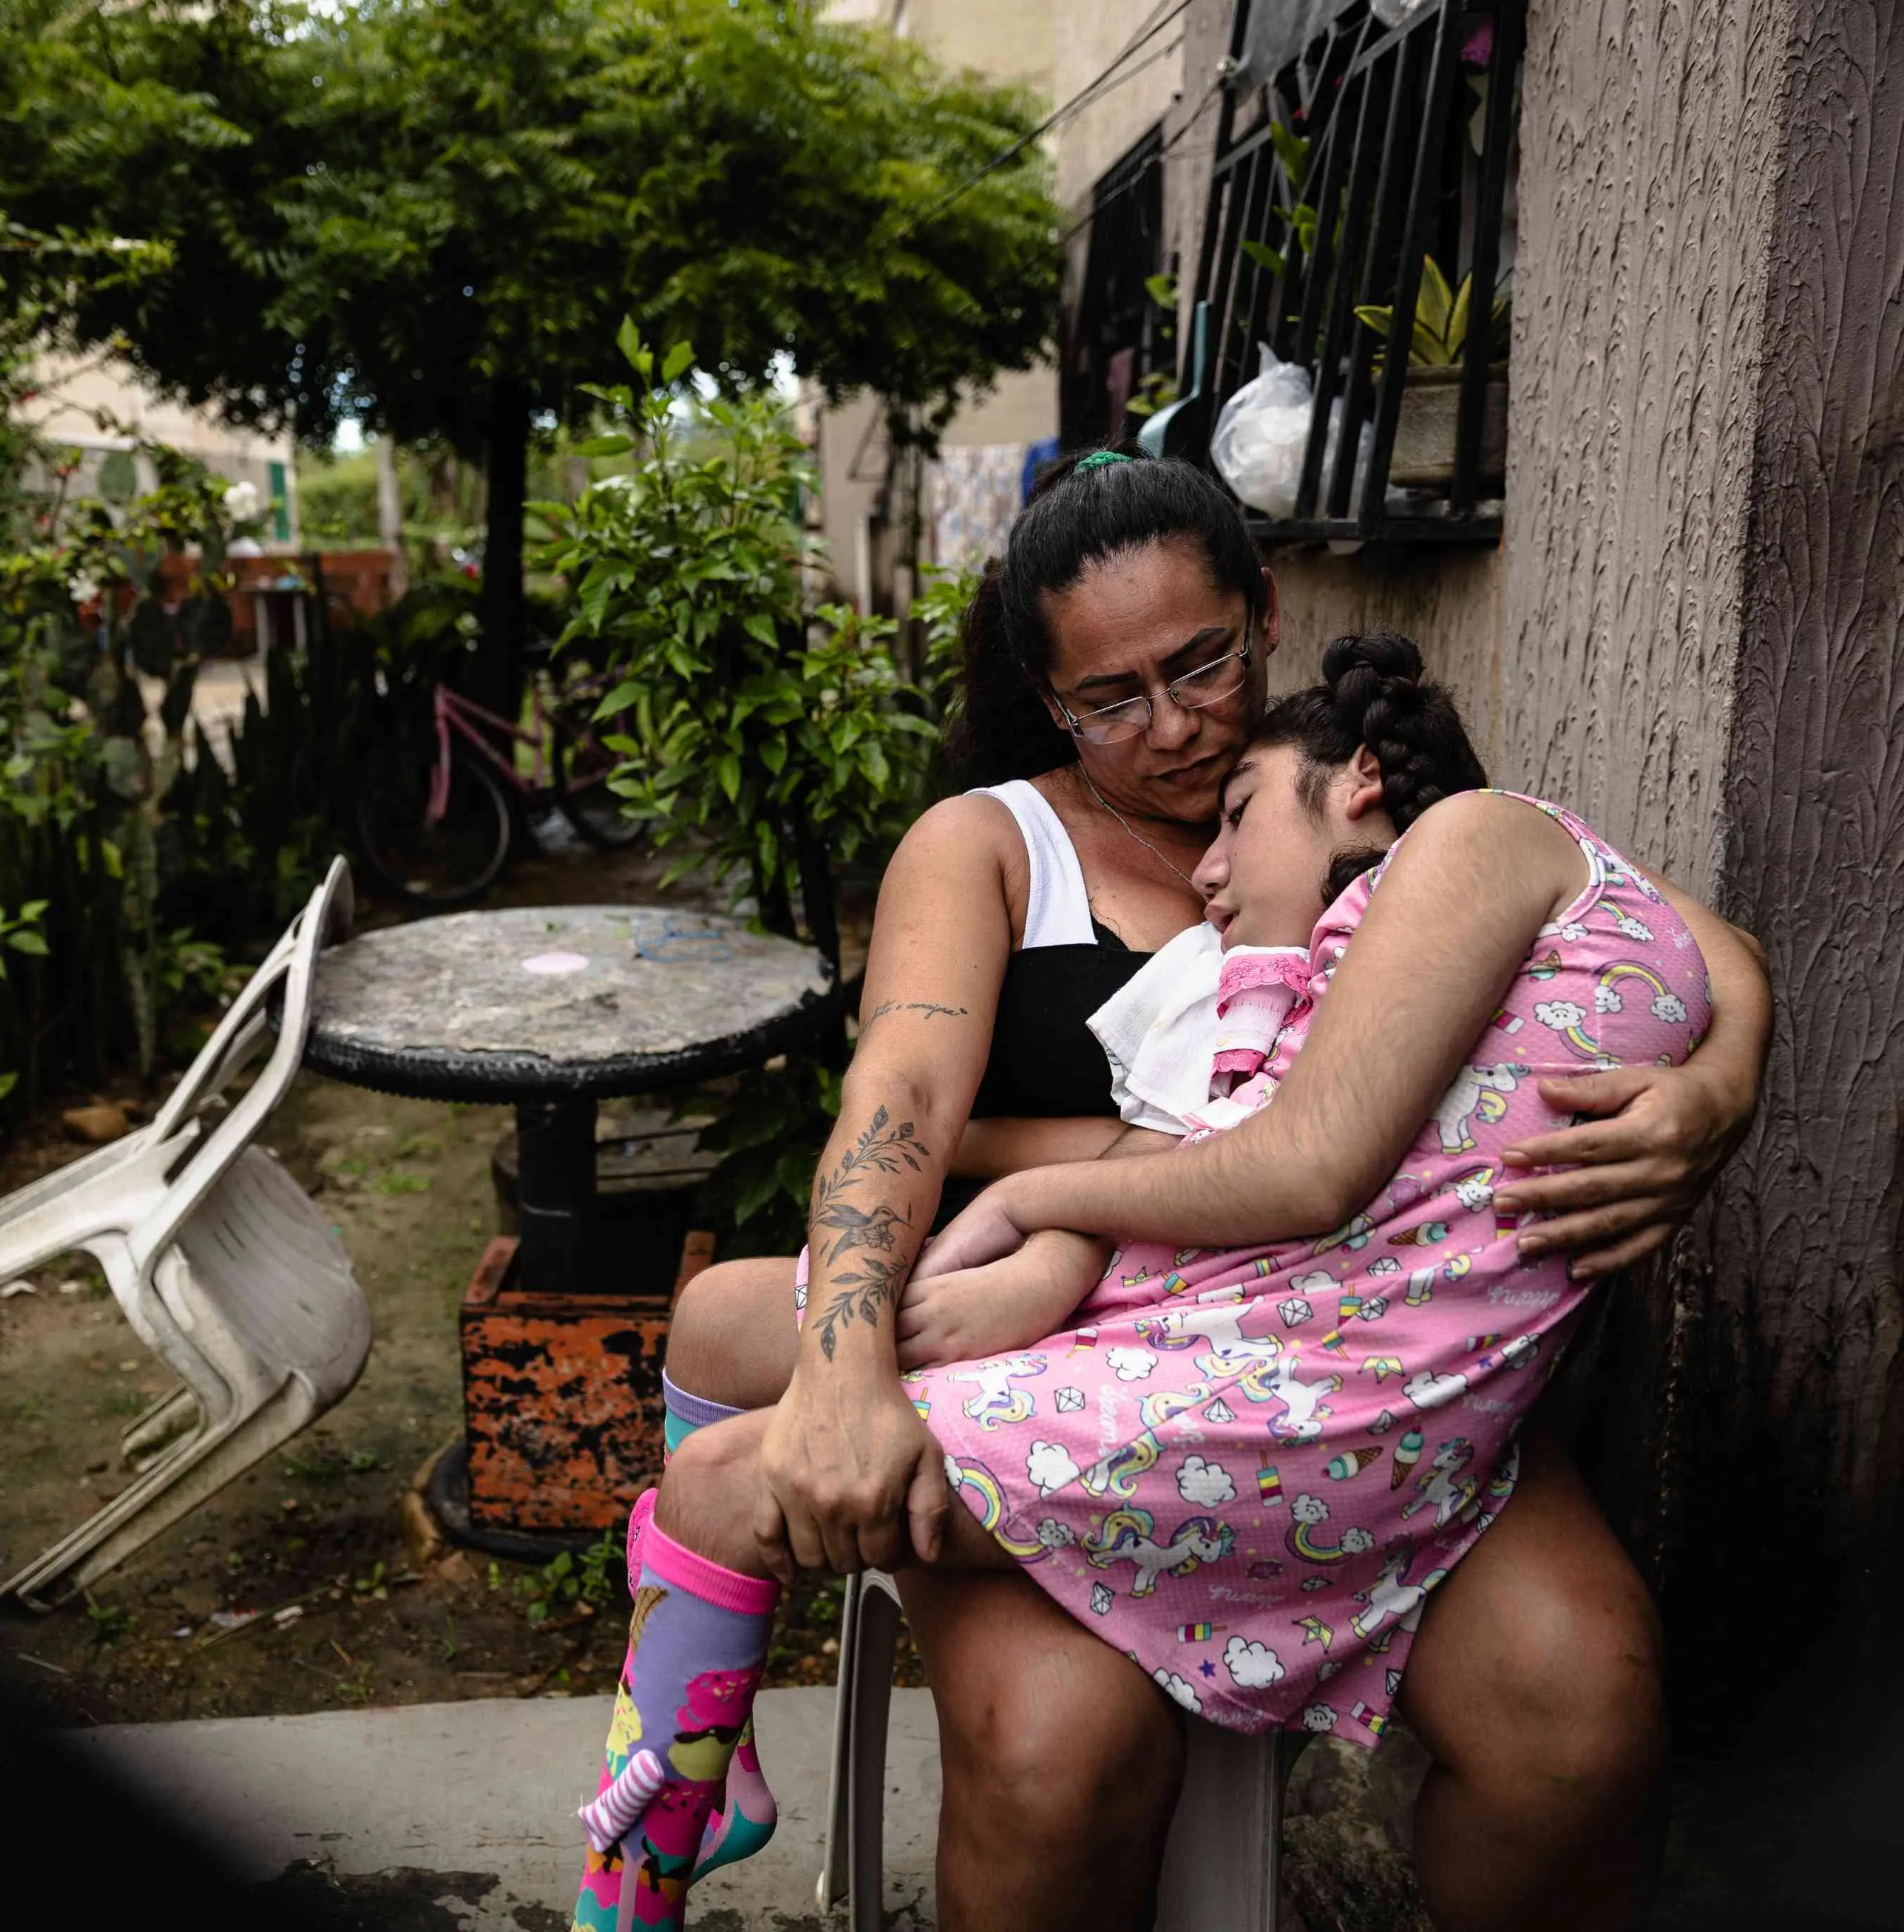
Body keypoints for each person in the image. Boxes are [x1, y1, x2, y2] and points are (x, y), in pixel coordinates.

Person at [608, 452, 1771, 1931]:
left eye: (1201, 664)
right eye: (1108, 698)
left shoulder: (1351, 796)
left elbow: (1664, 925)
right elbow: (900, 1102)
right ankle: (677, 1731)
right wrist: (854, 1367)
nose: (1168, 726)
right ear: (1047, 699)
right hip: (1077, 1328)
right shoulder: (989, 845)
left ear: (1267, 612)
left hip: (1348, 1335)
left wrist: (1723, 1078)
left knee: (1583, 1720)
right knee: (1061, 1749)